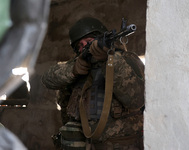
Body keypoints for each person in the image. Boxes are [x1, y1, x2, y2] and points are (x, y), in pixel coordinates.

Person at [42, 17, 145, 150]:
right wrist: (73, 70)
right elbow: (47, 79)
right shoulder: (78, 65)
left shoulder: (126, 59)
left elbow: (135, 99)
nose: (84, 47)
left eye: (89, 42)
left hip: (119, 144)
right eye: (79, 45)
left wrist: (109, 61)